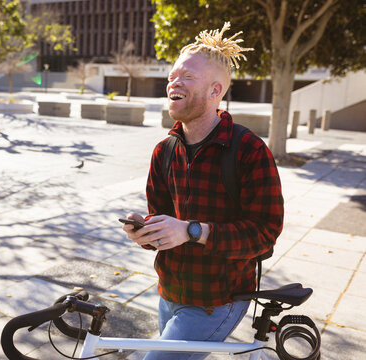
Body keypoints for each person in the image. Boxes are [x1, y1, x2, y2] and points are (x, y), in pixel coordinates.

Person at [122, 22, 284, 360]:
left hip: (218, 300)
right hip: (168, 293)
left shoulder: (249, 150)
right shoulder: (163, 150)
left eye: (187, 77)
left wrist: (193, 231)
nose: (174, 82)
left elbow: (265, 233)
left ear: (215, 91)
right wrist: (147, 231)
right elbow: (163, 220)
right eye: (171, 77)